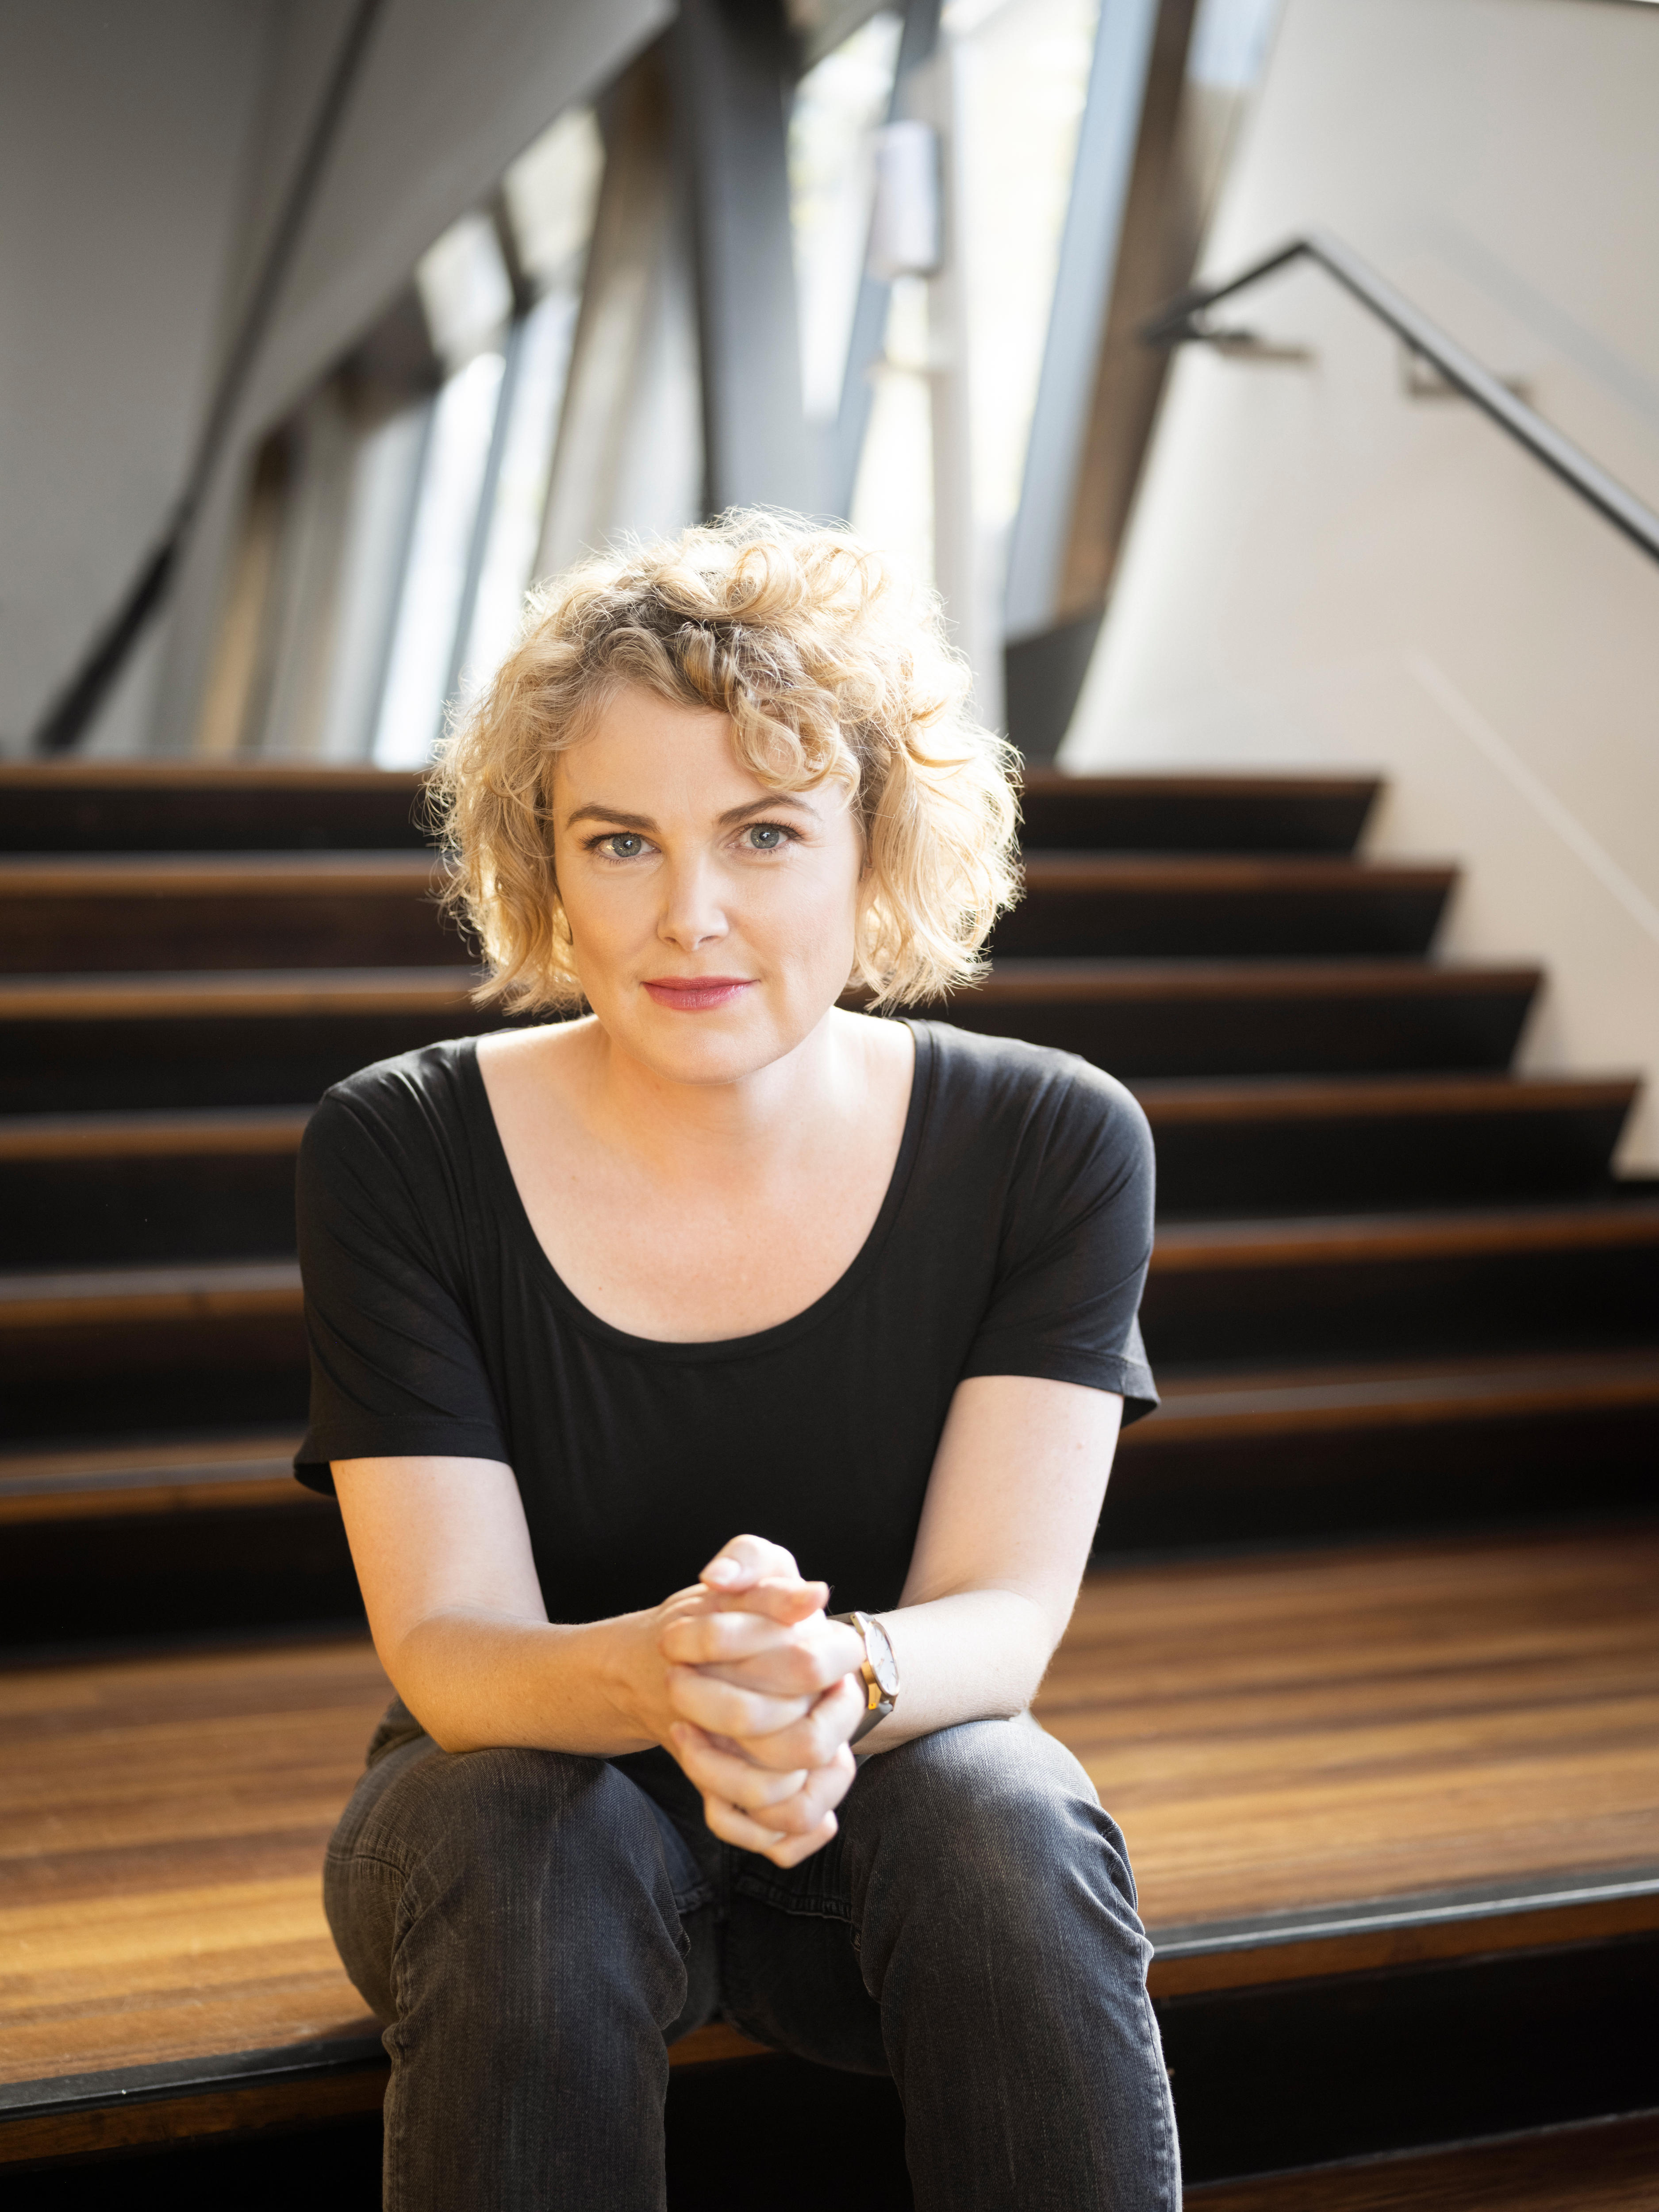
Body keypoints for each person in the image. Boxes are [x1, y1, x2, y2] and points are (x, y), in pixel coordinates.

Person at [296, 512, 1179, 2211]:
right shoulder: (398, 1148)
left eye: (763, 833)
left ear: (875, 846)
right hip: (504, 1837)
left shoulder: (1053, 1140)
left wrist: (833, 1674)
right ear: (543, 861)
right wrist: (676, 1671)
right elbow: (454, 1653)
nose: (687, 915)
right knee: (519, 1827)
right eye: (619, 841)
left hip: (883, 1805)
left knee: (1006, 1801)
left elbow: (1003, 1616)